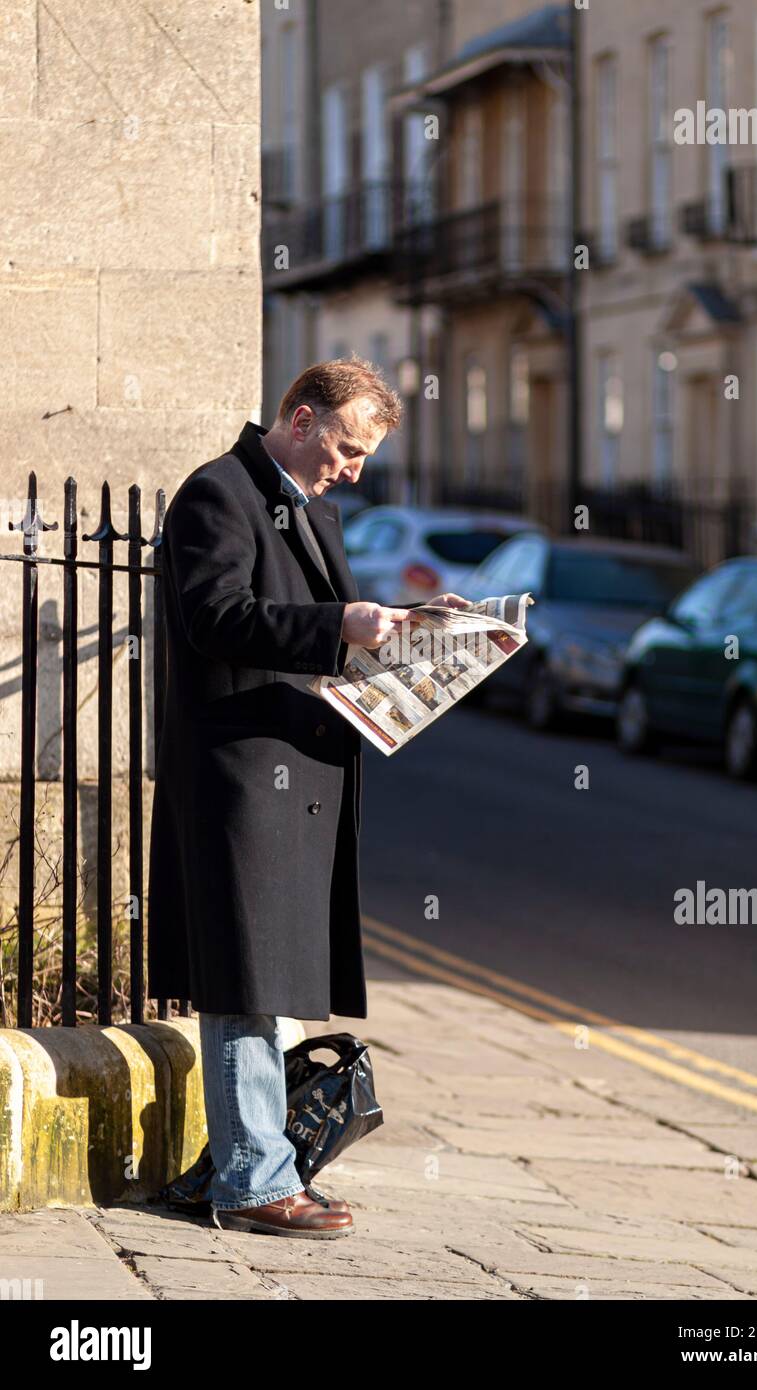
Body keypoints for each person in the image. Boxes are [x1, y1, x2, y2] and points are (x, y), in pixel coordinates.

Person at [146, 357, 468, 1237]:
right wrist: (339, 626)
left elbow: (303, 627)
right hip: (239, 775)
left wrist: (405, 643)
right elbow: (214, 616)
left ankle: (250, 1162)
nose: (354, 469)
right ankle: (250, 1182)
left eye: (365, 456)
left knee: (274, 975)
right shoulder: (217, 492)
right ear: (299, 416)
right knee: (244, 978)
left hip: (292, 772)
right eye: (348, 447)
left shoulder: (309, 504)